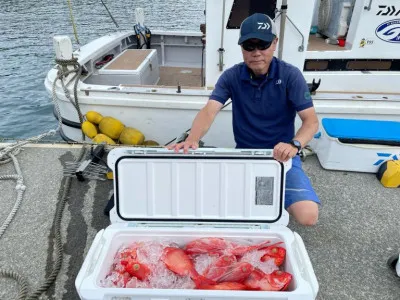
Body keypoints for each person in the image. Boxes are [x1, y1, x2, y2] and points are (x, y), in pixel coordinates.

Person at [168, 13, 320, 226]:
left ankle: (276, 196)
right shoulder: (231, 76)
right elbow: (209, 110)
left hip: (284, 156)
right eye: (249, 46)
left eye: (263, 44)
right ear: (241, 48)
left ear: (274, 43)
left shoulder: (290, 75)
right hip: (244, 154)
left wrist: (294, 145)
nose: (256, 53)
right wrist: (193, 138)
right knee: (221, 210)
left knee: (309, 216)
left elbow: (311, 122)